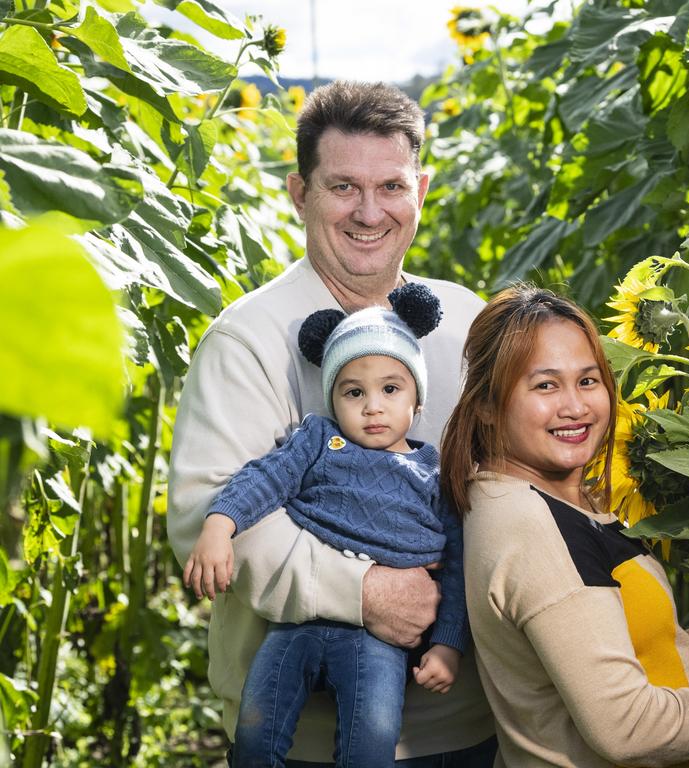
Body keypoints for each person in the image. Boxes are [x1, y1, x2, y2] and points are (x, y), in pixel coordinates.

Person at [167, 80, 495, 766]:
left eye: (391, 186)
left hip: (463, 722)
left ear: (422, 189)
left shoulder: (468, 322)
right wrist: (366, 593)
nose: (370, 212)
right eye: (343, 186)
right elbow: (208, 515)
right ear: (299, 192)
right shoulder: (249, 338)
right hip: (302, 739)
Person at [440, 285, 689, 767]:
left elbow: (597, 665)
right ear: (488, 404)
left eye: (589, 380)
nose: (575, 407)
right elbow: (622, 725)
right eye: (545, 385)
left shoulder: (561, 500)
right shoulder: (534, 526)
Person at [184, 284, 468, 766]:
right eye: (353, 391)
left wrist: (447, 645)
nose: (372, 405)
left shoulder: (433, 474)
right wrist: (219, 524)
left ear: (416, 402)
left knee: (371, 740)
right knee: (255, 729)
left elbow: (458, 566)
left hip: (379, 640)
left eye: (390, 389)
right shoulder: (317, 440)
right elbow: (265, 479)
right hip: (298, 621)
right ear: (332, 399)